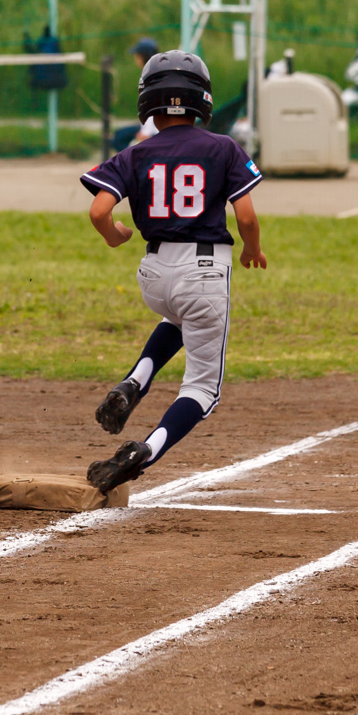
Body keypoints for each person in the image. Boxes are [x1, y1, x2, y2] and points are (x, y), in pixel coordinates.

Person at [79, 50, 268, 492]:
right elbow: (246, 220)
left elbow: (99, 209)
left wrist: (114, 235)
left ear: (147, 102)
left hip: (154, 273)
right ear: (202, 100)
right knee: (202, 389)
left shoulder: (136, 152)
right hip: (203, 271)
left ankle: (134, 382)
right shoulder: (223, 147)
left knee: (176, 316)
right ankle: (143, 451)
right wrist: (252, 250)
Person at [111, 37, 160, 153]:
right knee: (118, 135)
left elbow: (153, 106)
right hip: (153, 125)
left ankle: (137, 160)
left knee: (118, 140)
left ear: (143, 56)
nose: (135, 59)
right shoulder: (152, 73)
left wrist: (146, 132)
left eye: (137, 55)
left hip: (155, 129)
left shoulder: (152, 77)